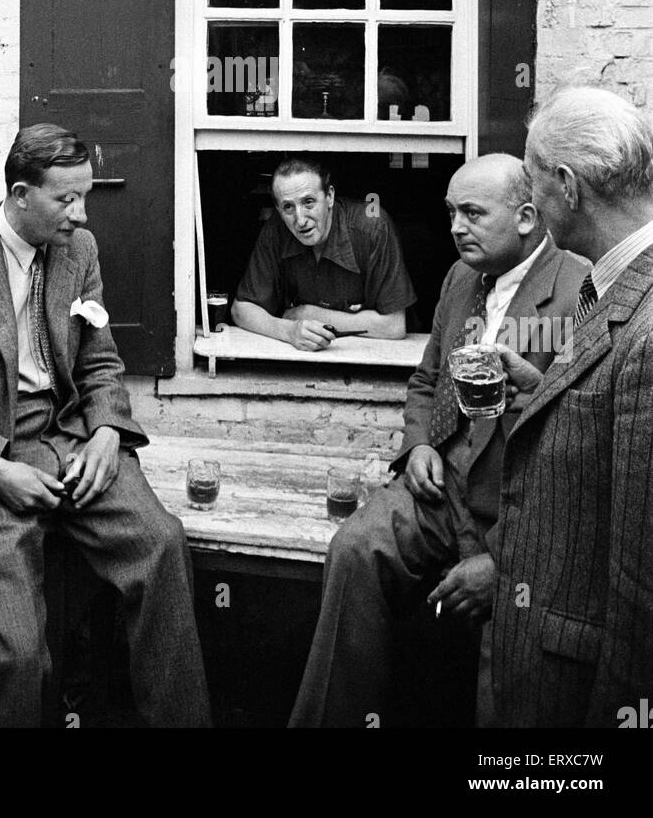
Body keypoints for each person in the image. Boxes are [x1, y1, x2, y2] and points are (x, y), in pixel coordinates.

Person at [0, 124, 211, 728]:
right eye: (66, 200)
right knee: (17, 654)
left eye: (84, 197)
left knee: (161, 546)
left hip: (69, 438)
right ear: (19, 194)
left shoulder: (78, 252)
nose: (81, 215)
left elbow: (99, 360)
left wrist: (108, 432)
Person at [289, 153, 586, 728]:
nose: (455, 227)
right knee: (354, 548)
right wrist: (419, 444)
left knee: (508, 647)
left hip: (516, 503)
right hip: (439, 480)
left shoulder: (577, 289)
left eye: (472, 213)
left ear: (527, 217)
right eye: (451, 212)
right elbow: (427, 380)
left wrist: (502, 560)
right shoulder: (459, 278)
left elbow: (573, 447)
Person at [492, 86, 653, 728]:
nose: (531, 203)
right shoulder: (608, 281)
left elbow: (643, 589)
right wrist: (545, 392)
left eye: (533, 184)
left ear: (566, 185)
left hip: (579, 688)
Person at [231, 156, 416, 351]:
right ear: (277, 209)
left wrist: (307, 314)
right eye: (288, 207)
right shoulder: (276, 230)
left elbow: (394, 326)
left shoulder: (373, 227)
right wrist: (288, 330)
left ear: (329, 197)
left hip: (374, 358)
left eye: (309, 202)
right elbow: (240, 310)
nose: (300, 219)